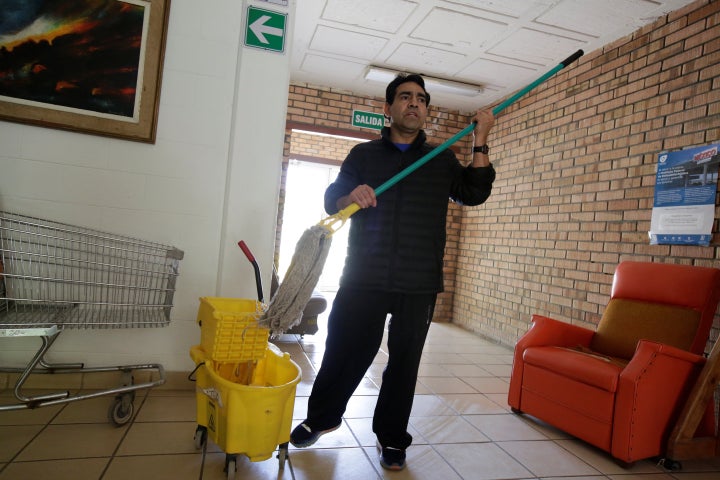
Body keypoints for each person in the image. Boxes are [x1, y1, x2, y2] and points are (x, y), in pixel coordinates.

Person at [289, 73, 496, 471]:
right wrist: (351, 196)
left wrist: (480, 138)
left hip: (418, 281)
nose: (414, 103)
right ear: (388, 109)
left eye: (421, 98)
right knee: (345, 351)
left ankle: (392, 438)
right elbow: (333, 198)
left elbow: (474, 192)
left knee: (404, 363)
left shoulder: (441, 158)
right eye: (404, 97)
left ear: (426, 110)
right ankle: (322, 418)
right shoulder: (363, 156)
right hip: (364, 274)